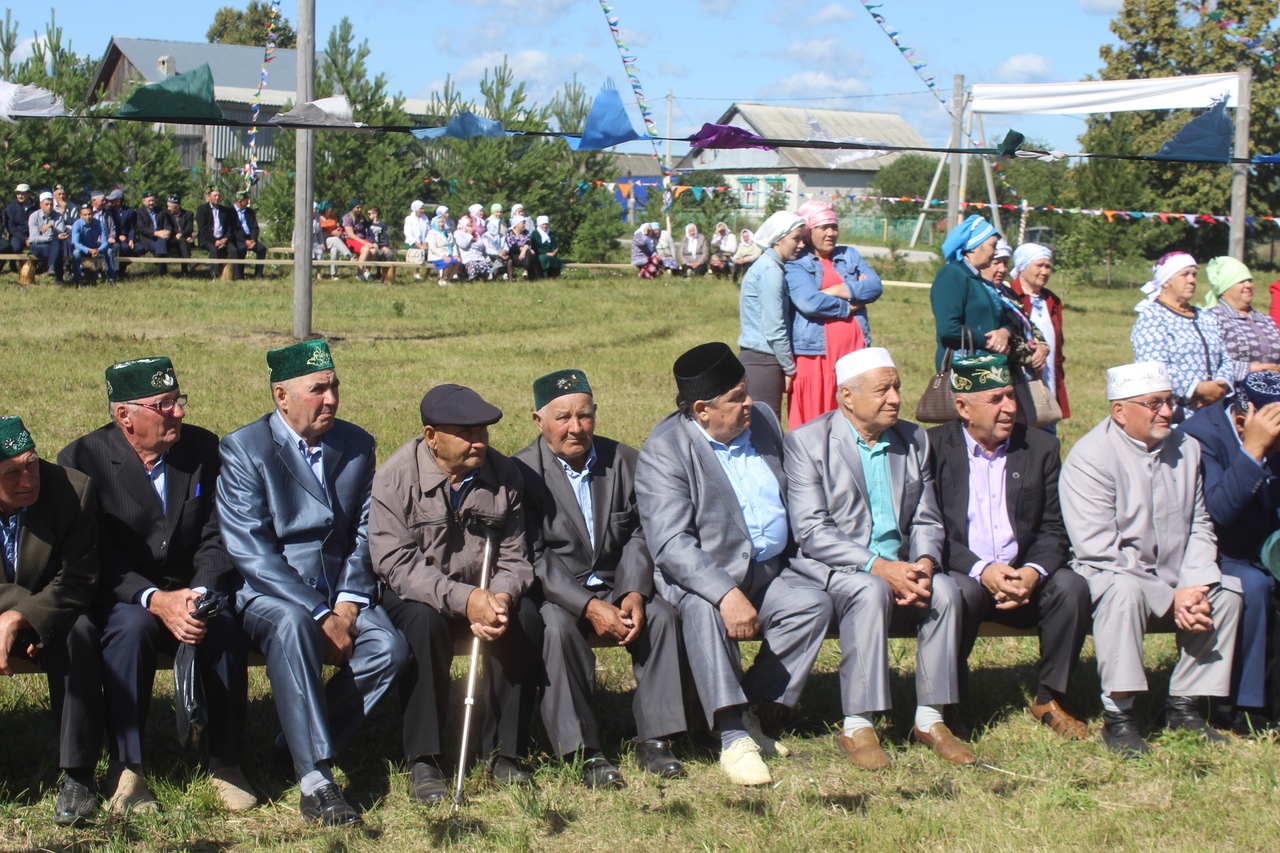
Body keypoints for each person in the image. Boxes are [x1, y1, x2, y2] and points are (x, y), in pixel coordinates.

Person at [216, 340, 409, 825]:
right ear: (281, 396)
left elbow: (368, 530)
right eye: (317, 389)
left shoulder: (357, 444)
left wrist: (346, 602)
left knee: (389, 649)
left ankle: (293, 740)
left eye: (334, 386)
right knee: (292, 627)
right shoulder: (245, 448)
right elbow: (250, 551)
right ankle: (316, 781)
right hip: (270, 592)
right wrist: (319, 612)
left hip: (342, 586)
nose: (331, 399)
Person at [57, 357, 256, 814]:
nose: (178, 413)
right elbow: (94, 553)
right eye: (164, 405)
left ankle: (226, 763)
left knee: (224, 631)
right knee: (131, 632)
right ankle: (128, 767)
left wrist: (199, 593)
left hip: (193, 588)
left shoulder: (203, 450)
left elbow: (218, 533)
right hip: (126, 594)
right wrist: (153, 599)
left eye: (178, 400)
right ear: (125, 415)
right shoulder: (83, 461)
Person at [635, 343, 832, 786]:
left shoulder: (761, 419)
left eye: (747, 392)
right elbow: (670, 543)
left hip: (768, 569)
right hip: (701, 576)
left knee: (812, 605)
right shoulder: (665, 450)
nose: (752, 403)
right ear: (702, 409)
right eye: (738, 397)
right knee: (704, 609)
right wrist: (725, 592)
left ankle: (752, 713)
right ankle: (730, 736)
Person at [784, 347, 972, 769]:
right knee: (870, 591)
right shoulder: (807, 443)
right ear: (847, 397)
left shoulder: (912, 439)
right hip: (838, 567)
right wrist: (880, 567)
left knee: (945, 590)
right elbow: (812, 531)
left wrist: (923, 563)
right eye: (883, 390)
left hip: (901, 564)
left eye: (898, 387)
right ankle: (858, 725)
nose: (896, 399)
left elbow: (927, 517)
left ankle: (931, 717)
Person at [514, 370, 688, 788]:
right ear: (539, 422)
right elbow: (533, 554)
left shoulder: (625, 460)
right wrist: (588, 607)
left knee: (661, 615)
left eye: (585, 415)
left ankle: (656, 739)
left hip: (615, 580)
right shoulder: (520, 473)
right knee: (556, 629)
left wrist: (631, 590)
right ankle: (585, 751)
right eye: (563, 418)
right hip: (558, 591)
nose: (576, 428)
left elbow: (641, 531)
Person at [368, 384, 543, 800]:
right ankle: (424, 760)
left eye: (483, 432)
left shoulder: (505, 476)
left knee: (528, 617)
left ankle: (505, 753)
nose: (479, 441)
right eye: (466, 433)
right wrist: (465, 601)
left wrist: (498, 599)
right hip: (419, 594)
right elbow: (396, 564)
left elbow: (517, 557)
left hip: (485, 591)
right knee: (423, 623)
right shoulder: (394, 479)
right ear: (431, 436)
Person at [1060, 361, 1242, 756]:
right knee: (1123, 591)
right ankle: (1119, 715)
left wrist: (1193, 584)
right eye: (1154, 403)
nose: (1168, 412)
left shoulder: (1186, 448)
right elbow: (1098, 548)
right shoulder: (1090, 457)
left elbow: (1199, 524)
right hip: (1110, 574)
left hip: (1178, 574)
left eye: (1170, 401)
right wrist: (1169, 596)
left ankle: (1183, 704)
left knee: (1227, 591)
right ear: (1120, 412)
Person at [927, 354, 1091, 740]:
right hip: (965, 574)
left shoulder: (1039, 448)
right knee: (957, 594)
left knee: (1071, 588)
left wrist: (1033, 573)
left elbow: (1054, 528)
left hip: (1023, 575)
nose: (1011, 407)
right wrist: (982, 569)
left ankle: (1051, 697)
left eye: (1011, 396)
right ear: (963, 407)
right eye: (996, 399)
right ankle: (949, 706)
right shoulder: (932, 449)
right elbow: (928, 529)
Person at [0, 417, 103, 827]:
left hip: (55, 614)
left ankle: (78, 776)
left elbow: (79, 580)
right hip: (30, 606)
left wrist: (23, 617)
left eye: (32, 464)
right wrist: (14, 613)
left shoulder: (73, 491)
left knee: (80, 631)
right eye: (11, 472)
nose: (28, 479)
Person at [1179, 371, 1280, 734]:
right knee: (1252, 585)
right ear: (1243, 421)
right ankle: (1243, 706)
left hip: (1266, 542)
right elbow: (1217, 515)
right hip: (1214, 551)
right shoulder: (1200, 435)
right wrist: (1253, 451)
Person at [1131, 252, 1258, 419]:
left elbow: (1225, 358)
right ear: (1167, 281)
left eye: (1194, 274)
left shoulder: (1205, 317)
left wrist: (1220, 386)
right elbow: (1153, 367)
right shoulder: (1152, 318)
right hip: (1176, 415)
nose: (1192, 280)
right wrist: (1197, 389)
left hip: (1215, 411)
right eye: (1185, 274)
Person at [785, 202, 871, 429]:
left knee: (852, 414)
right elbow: (809, 302)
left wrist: (830, 292)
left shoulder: (849, 255)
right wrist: (849, 303)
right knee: (815, 419)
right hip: (816, 355)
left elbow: (874, 287)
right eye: (823, 227)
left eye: (834, 226)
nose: (831, 233)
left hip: (853, 350)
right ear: (808, 231)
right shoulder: (796, 263)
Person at [737, 211, 806, 422]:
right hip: (764, 360)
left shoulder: (769, 266)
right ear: (778, 238)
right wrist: (789, 368)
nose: (801, 244)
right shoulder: (770, 271)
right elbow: (774, 328)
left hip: (760, 358)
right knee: (766, 430)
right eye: (796, 238)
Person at [930, 215, 1018, 370]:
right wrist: (988, 341)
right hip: (964, 370)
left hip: (988, 368)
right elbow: (948, 328)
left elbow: (1000, 319)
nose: (995, 251)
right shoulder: (952, 274)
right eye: (993, 246)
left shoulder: (979, 280)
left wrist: (1005, 332)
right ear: (974, 246)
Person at [1009, 243, 1070, 423]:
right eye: (1039, 265)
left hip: (1049, 378)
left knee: (1047, 430)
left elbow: (1058, 345)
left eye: (1048, 266)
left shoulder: (1052, 301)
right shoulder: (1009, 296)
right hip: (1020, 380)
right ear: (1022, 266)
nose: (1045, 271)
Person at [1202, 256, 1280, 371]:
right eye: (1241, 281)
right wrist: (1248, 369)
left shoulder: (1266, 320)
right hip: (1234, 388)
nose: (1248, 285)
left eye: (1250, 280)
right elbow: (1208, 362)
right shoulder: (1211, 319)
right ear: (1225, 286)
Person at [27, 190, 67, 283]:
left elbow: (61, 233)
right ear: (41, 205)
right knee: (58, 250)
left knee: (56, 245)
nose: (49, 207)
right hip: (37, 246)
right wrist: (51, 237)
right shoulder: (34, 217)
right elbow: (34, 238)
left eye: (51, 204)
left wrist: (52, 226)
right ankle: (58, 278)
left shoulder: (58, 216)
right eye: (47, 204)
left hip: (52, 245)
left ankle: (51, 268)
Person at [195, 186, 234, 280]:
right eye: (215, 195)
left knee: (233, 250)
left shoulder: (225, 210)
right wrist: (215, 241)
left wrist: (225, 239)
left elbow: (229, 227)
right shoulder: (202, 209)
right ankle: (214, 275)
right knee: (213, 249)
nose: (217, 198)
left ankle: (232, 275)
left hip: (222, 238)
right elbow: (203, 229)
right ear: (209, 196)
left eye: (219, 196)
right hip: (208, 239)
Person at [69, 204, 113, 286]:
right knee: (76, 253)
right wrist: (88, 250)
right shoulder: (77, 224)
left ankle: (111, 278)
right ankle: (78, 280)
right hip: (83, 249)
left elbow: (105, 242)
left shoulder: (100, 224)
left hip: (95, 248)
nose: (88, 217)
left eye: (89, 214)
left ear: (93, 214)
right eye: (85, 215)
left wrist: (99, 250)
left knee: (109, 251)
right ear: (81, 215)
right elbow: (76, 243)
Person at [132, 191, 172, 275]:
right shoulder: (139, 212)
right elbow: (141, 228)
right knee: (162, 246)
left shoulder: (161, 211)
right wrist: (156, 233)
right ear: (143, 201)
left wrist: (167, 232)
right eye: (149, 201)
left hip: (162, 237)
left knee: (162, 241)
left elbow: (168, 225)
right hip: (148, 239)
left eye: (153, 200)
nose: (151, 203)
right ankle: (163, 272)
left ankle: (159, 264)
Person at [230, 191, 267, 281]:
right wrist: (244, 241)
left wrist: (253, 239)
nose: (248, 203)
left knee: (262, 248)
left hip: (250, 237)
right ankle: (239, 275)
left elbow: (255, 227)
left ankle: (258, 274)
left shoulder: (249, 211)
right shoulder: (230, 212)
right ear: (239, 201)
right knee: (241, 248)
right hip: (238, 238)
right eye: (246, 201)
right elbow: (233, 230)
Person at [341, 200, 378, 282]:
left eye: (360, 207)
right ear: (352, 208)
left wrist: (372, 242)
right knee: (365, 249)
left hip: (361, 238)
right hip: (350, 240)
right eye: (357, 208)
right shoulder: (347, 218)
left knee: (373, 250)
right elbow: (351, 235)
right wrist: (365, 243)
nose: (359, 209)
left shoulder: (361, 218)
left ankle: (367, 272)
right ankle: (359, 273)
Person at [5, 183, 36, 271]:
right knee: (15, 247)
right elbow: (10, 227)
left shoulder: (35, 207)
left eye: (23, 193)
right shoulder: (11, 207)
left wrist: (32, 236)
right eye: (18, 193)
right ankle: (13, 265)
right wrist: (24, 239)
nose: (20, 196)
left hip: (33, 234)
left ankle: (39, 267)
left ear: (28, 194)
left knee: (40, 247)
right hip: (17, 235)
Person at [454, 212, 493, 282]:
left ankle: (481, 279)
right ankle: (469, 278)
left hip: (479, 257)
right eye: (469, 223)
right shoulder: (458, 233)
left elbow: (481, 244)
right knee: (473, 266)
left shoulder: (476, 233)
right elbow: (463, 244)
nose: (471, 224)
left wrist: (471, 245)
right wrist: (469, 235)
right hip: (467, 258)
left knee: (484, 267)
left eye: (472, 222)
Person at [318, 201, 352, 279]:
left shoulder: (333, 217)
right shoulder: (319, 218)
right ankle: (349, 256)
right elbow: (321, 232)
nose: (332, 209)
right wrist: (332, 233)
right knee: (335, 239)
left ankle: (334, 274)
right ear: (326, 209)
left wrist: (339, 232)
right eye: (331, 208)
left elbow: (337, 228)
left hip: (332, 240)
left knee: (334, 249)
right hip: (322, 240)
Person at [427, 213, 462, 285]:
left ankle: (448, 279)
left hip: (448, 254)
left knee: (457, 262)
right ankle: (442, 279)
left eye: (442, 222)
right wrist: (443, 256)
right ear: (435, 224)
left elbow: (453, 244)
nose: (441, 224)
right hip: (436, 256)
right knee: (449, 262)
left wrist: (455, 254)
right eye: (439, 222)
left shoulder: (448, 232)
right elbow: (433, 248)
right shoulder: (432, 233)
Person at [165, 195, 195, 277]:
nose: (168, 208)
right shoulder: (166, 215)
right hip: (171, 241)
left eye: (170, 207)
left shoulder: (188, 214)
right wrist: (174, 237)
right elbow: (167, 227)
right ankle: (189, 264)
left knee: (183, 241)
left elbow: (189, 229)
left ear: (177, 207)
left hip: (185, 239)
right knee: (183, 241)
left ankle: (186, 271)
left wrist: (182, 235)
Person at [403, 200, 431, 281]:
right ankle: (416, 273)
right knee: (419, 252)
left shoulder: (425, 219)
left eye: (423, 209)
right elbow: (408, 234)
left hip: (423, 243)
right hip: (412, 243)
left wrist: (426, 243)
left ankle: (428, 274)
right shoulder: (409, 219)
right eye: (421, 209)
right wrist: (420, 245)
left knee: (432, 252)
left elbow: (428, 232)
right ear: (416, 209)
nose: (423, 210)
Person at [506, 216, 537, 282]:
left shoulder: (526, 232)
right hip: (514, 255)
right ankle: (526, 273)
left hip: (525, 255)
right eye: (523, 223)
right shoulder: (510, 233)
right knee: (528, 252)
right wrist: (523, 250)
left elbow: (528, 242)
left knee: (529, 252)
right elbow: (512, 246)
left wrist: (524, 251)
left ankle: (526, 271)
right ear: (517, 224)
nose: (524, 225)